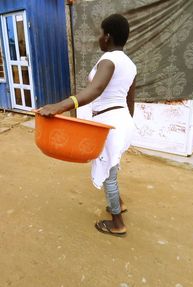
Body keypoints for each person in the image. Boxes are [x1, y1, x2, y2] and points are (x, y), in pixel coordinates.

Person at [37, 14, 137, 237]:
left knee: (108, 173)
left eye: (101, 33)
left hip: (110, 122)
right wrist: (126, 126)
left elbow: (95, 90)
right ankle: (118, 204)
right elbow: (130, 101)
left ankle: (118, 223)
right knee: (111, 165)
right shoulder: (130, 64)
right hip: (122, 120)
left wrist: (59, 106)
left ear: (108, 36)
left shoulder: (109, 60)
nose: (99, 38)